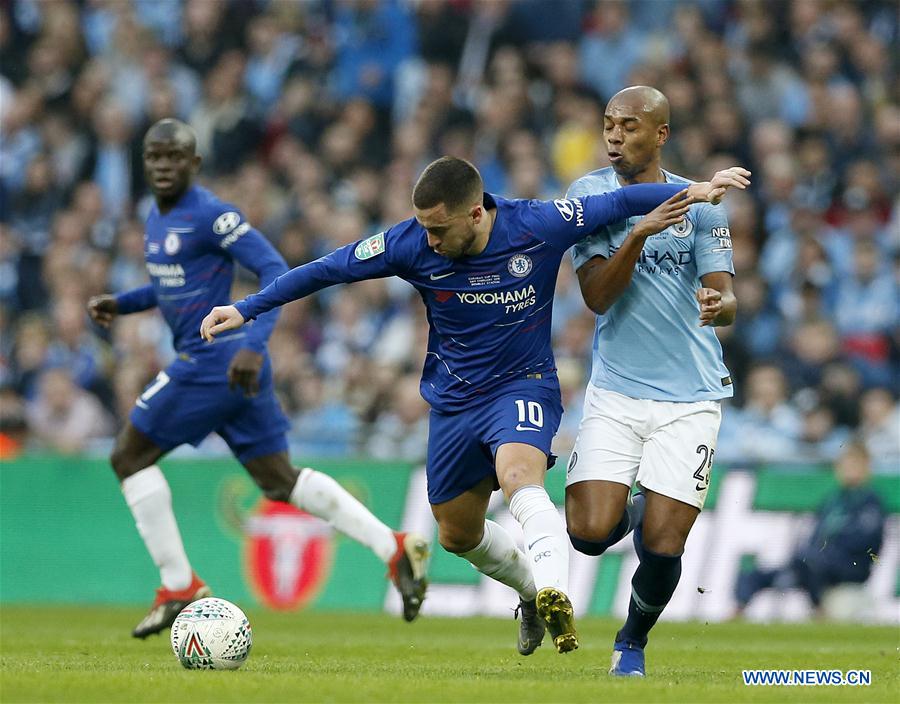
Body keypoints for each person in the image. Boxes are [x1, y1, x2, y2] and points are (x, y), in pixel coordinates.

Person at [200, 155, 749, 655]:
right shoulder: (409, 243)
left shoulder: (537, 223)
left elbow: (620, 202)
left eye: (440, 228)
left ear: (477, 212)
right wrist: (246, 309)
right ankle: (533, 593)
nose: (431, 240)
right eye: (424, 228)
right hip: (455, 401)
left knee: (519, 477)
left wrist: (700, 189)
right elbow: (327, 269)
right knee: (457, 533)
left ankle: (558, 593)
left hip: (524, 385)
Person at [87, 119, 429, 639]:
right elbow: (172, 288)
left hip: (214, 361)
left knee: (126, 456)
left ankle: (178, 585)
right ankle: (393, 547)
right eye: (153, 157)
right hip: (226, 369)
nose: (161, 166)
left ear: (194, 164)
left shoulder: (212, 214)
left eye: (173, 157)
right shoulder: (155, 218)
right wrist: (124, 303)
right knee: (278, 480)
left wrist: (251, 343)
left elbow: (275, 271)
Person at [563, 86, 743, 676]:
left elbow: (728, 298)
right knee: (588, 534)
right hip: (615, 389)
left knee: (666, 547)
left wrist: (721, 304)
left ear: (660, 134)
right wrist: (638, 233)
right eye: (609, 125)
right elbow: (596, 297)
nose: (614, 136)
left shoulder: (703, 205)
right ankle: (638, 506)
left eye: (630, 126)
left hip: (690, 397)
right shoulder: (587, 196)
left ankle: (632, 642)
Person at [735, 441, 885, 615]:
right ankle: (738, 610)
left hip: (846, 574)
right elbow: (815, 536)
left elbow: (866, 543)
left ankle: (820, 609)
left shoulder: (870, 502)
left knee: (811, 561)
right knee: (755, 575)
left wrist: (824, 553)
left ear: (866, 466)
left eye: (854, 464)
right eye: (845, 463)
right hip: (817, 569)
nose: (848, 469)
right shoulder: (833, 500)